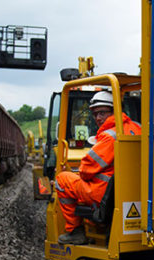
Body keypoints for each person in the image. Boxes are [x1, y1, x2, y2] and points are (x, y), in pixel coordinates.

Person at [56, 91, 141, 244]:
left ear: (114, 110)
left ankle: (75, 231)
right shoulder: (137, 127)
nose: (98, 118)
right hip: (134, 191)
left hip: (104, 194)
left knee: (62, 180)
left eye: (102, 113)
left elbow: (85, 171)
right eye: (95, 114)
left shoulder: (109, 136)